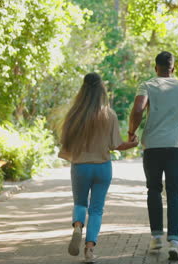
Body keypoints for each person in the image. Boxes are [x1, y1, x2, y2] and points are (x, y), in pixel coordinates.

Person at [59, 72, 138, 263]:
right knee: (96, 210)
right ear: (101, 89)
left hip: (80, 167)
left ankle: (78, 226)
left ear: (83, 90)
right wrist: (132, 143)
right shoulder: (108, 114)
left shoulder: (74, 114)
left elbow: (65, 142)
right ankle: (89, 250)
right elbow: (116, 145)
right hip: (103, 168)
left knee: (80, 203)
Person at [128, 51, 178, 261]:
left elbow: (138, 109)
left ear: (155, 67)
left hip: (153, 147)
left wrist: (131, 132)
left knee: (153, 190)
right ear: (173, 68)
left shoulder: (147, 85)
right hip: (176, 147)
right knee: (174, 194)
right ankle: (174, 243)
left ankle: (156, 237)